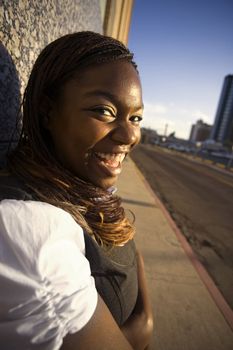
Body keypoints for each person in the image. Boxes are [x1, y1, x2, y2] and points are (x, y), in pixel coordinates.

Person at [0, 31, 153, 349]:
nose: (128, 135)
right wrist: (142, 329)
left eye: (135, 117)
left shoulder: (78, 177)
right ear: (47, 111)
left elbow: (126, 241)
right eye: (104, 111)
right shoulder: (30, 236)